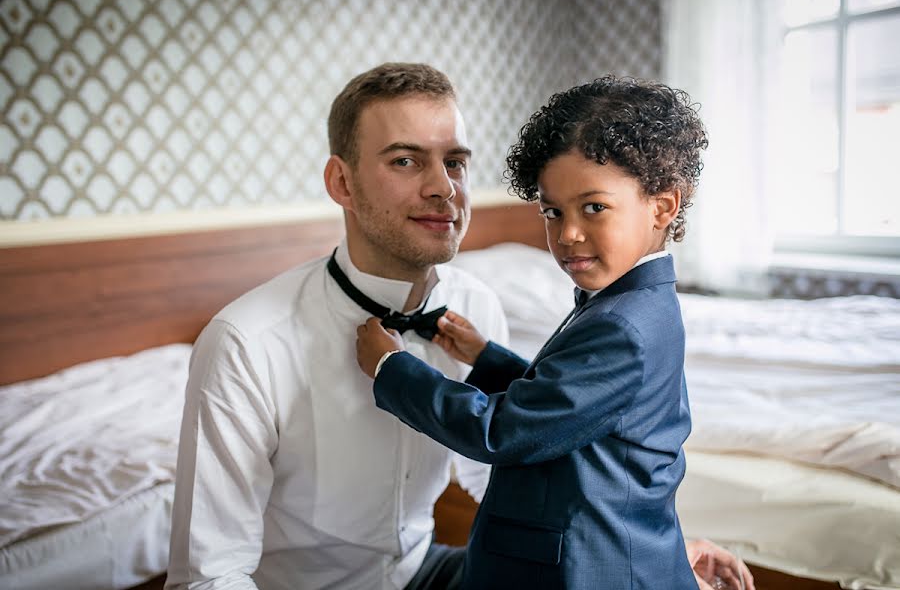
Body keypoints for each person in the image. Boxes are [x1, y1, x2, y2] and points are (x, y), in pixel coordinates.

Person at [167, 62, 752, 590]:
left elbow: (521, 447)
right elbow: (209, 576)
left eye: (455, 163)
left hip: (431, 570)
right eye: (405, 160)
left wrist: (653, 559)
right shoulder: (246, 341)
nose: (443, 189)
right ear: (342, 183)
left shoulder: (473, 302)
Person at [356, 75, 753, 590]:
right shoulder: (631, 300)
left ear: (663, 205)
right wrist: (487, 357)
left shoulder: (624, 325)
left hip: (582, 569)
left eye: (594, 207)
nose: (567, 234)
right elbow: (573, 406)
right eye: (552, 211)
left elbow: (503, 431)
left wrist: (393, 370)